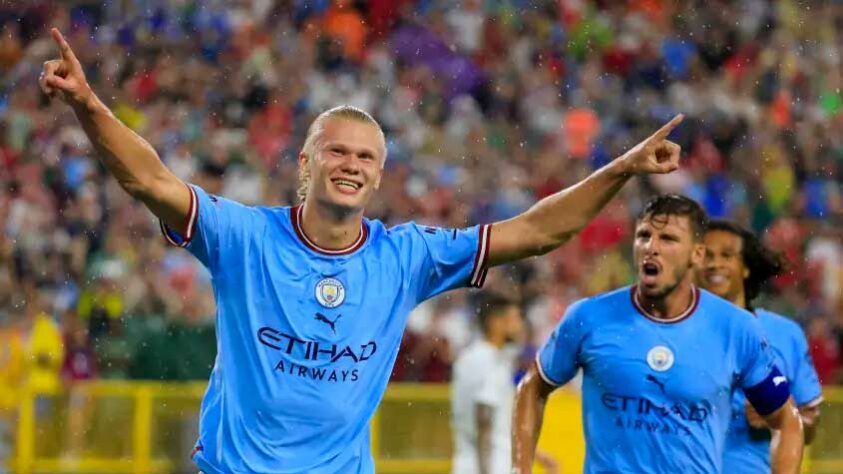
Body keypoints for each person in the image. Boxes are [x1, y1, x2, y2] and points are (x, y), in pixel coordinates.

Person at [40, 27, 684, 474]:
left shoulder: (407, 257)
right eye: (337, 150)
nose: (350, 164)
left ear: (380, 176)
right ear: (306, 161)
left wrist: (622, 168)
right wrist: (89, 105)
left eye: (366, 157)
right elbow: (147, 180)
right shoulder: (244, 238)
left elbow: (536, 231)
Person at [513, 195, 804, 474]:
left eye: (668, 239)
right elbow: (532, 388)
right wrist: (519, 469)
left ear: (697, 254)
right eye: (644, 236)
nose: (651, 247)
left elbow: (788, 421)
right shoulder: (589, 318)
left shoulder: (736, 329)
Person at [699, 219, 822, 473]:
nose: (714, 264)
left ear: (745, 267)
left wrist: (776, 417)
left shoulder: (785, 334)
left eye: (726, 255)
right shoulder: (674, 333)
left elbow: (810, 423)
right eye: (706, 255)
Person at [450, 291, 524, 474]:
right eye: (515, 318)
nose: (520, 326)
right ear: (495, 323)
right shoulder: (490, 361)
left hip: (466, 462)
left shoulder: (470, 357)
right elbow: (484, 420)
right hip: (489, 466)